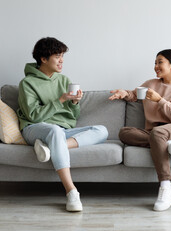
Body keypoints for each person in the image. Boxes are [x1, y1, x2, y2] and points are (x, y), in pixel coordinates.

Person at [17, 37, 108, 212]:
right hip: (34, 129)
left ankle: (53, 148)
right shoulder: (27, 83)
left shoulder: (64, 80)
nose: (61, 60)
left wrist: (74, 103)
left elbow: (73, 118)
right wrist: (60, 100)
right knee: (54, 131)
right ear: (43, 59)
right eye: (57, 56)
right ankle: (71, 191)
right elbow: (33, 115)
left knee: (102, 130)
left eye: (62, 56)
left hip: (61, 131)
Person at [109, 49, 171, 211]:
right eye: (155, 63)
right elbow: (134, 95)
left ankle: (166, 185)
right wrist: (124, 93)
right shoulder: (151, 84)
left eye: (160, 62)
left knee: (159, 133)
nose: (155, 66)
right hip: (159, 132)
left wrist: (160, 100)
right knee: (124, 133)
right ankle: (166, 143)